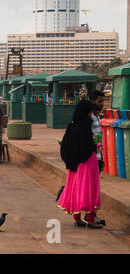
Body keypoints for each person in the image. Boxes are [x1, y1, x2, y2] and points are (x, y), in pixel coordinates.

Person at [58, 100, 102, 229]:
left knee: (76, 189)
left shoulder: (72, 126)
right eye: (90, 112)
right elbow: (87, 146)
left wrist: (70, 161)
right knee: (89, 189)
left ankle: (77, 218)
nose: (90, 115)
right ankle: (90, 219)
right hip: (87, 162)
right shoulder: (85, 126)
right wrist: (96, 146)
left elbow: (65, 146)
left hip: (74, 164)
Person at [88, 90, 106, 226]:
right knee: (91, 188)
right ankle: (90, 216)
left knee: (94, 188)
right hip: (91, 157)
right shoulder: (89, 116)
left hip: (98, 156)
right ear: (92, 101)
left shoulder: (97, 115)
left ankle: (91, 215)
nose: (102, 104)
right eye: (100, 101)